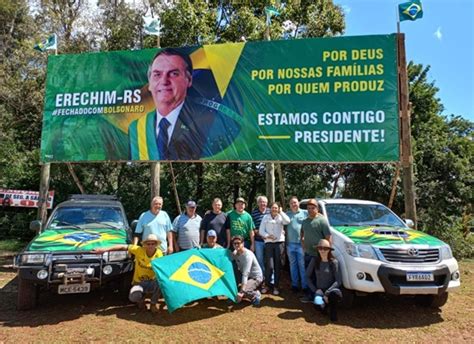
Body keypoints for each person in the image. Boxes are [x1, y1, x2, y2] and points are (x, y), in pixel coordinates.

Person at [128, 48, 229, 161]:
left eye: (173, 74)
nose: (164, 81)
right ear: (150, 83)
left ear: (189, 80)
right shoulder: (136, 128)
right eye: (157, 74)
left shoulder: (207, 121)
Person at [94, 234, 163, 313]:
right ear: (145, 245)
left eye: (153, 244)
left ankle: (153, 304)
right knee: (133, 297)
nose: (150, 246)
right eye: (148, 244)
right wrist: (104, 250)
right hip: (138, 282)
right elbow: (123, 246)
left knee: (161, 283)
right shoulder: (139, 250)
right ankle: (141, 301)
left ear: (156, 245)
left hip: (151, 281)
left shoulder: (159, 254)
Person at [300, 198, 331, 303]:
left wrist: (327, 253)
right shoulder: (305, 221)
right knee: (309, 276)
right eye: (308, 208)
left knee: (318, 277)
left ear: (317, 208)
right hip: (308, 254)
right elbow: (302, 234)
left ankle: (318, 296)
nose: (310, 210)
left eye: (313, 208)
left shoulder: (322, 221)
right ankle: (310, 295)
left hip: (319, 255)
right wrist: (303, 246)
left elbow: (328, 238)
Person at [306, 239, 342, 322]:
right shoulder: (315, 261)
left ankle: (333, 312)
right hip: (320, 290)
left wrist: (327, 293)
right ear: (317, 249)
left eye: (325, 249)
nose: (322, 250)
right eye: (320, 248)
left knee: (334, 294)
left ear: (329, 250)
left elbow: (338, 281)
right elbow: (307, 276)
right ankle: (324, 307)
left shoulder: (334, 262)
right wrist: (315, 290)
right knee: (318, 306)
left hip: (332, 290)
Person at [259, 202, 290, 295]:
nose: (274, 209)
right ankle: (267, 285)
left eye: (276, 208)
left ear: (279, 209)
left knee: (278, 265)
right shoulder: (265, 217)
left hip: (279, 243)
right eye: (273, 208)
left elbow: (288, 221)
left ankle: (276, 286)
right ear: (270, 208)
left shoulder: (281, 217)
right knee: (269, 266)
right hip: (269, 243)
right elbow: (261, 230)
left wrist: (281, 212)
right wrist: (267, 236)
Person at [231, 235, 263, 306]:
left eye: (238, 243)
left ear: (243, 243)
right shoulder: (235, 253)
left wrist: (242, 292)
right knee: (235, 288)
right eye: (234, 243)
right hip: (245, 276)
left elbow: (245, 274)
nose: (236, 245)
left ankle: (255, 294)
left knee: (243, 291)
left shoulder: (247, 255)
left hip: (255, 277)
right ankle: (245, 291)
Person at [285, 196, 308, 293]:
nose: (294, 204)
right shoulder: (287, 214)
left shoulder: (305, 213)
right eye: (291, 203)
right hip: (290, 244)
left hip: (301, 244)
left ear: (298, 203)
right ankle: (295, 285)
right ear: (289, 205)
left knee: (302, 265)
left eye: (295, 202)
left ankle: (304, 286)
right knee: (293, 265)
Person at [250, 195, 270, 275]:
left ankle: (269, 278)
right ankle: (261, 278)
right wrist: (261, 234)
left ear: (267, 203)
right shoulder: (254, 213)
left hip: (269, 241)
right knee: (259, 260)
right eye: (261, 202)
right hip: (258, 241)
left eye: (264, 202)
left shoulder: (270, 211)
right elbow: (253, 227)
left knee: (269, 260)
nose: (263, 204)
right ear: (258, 203)